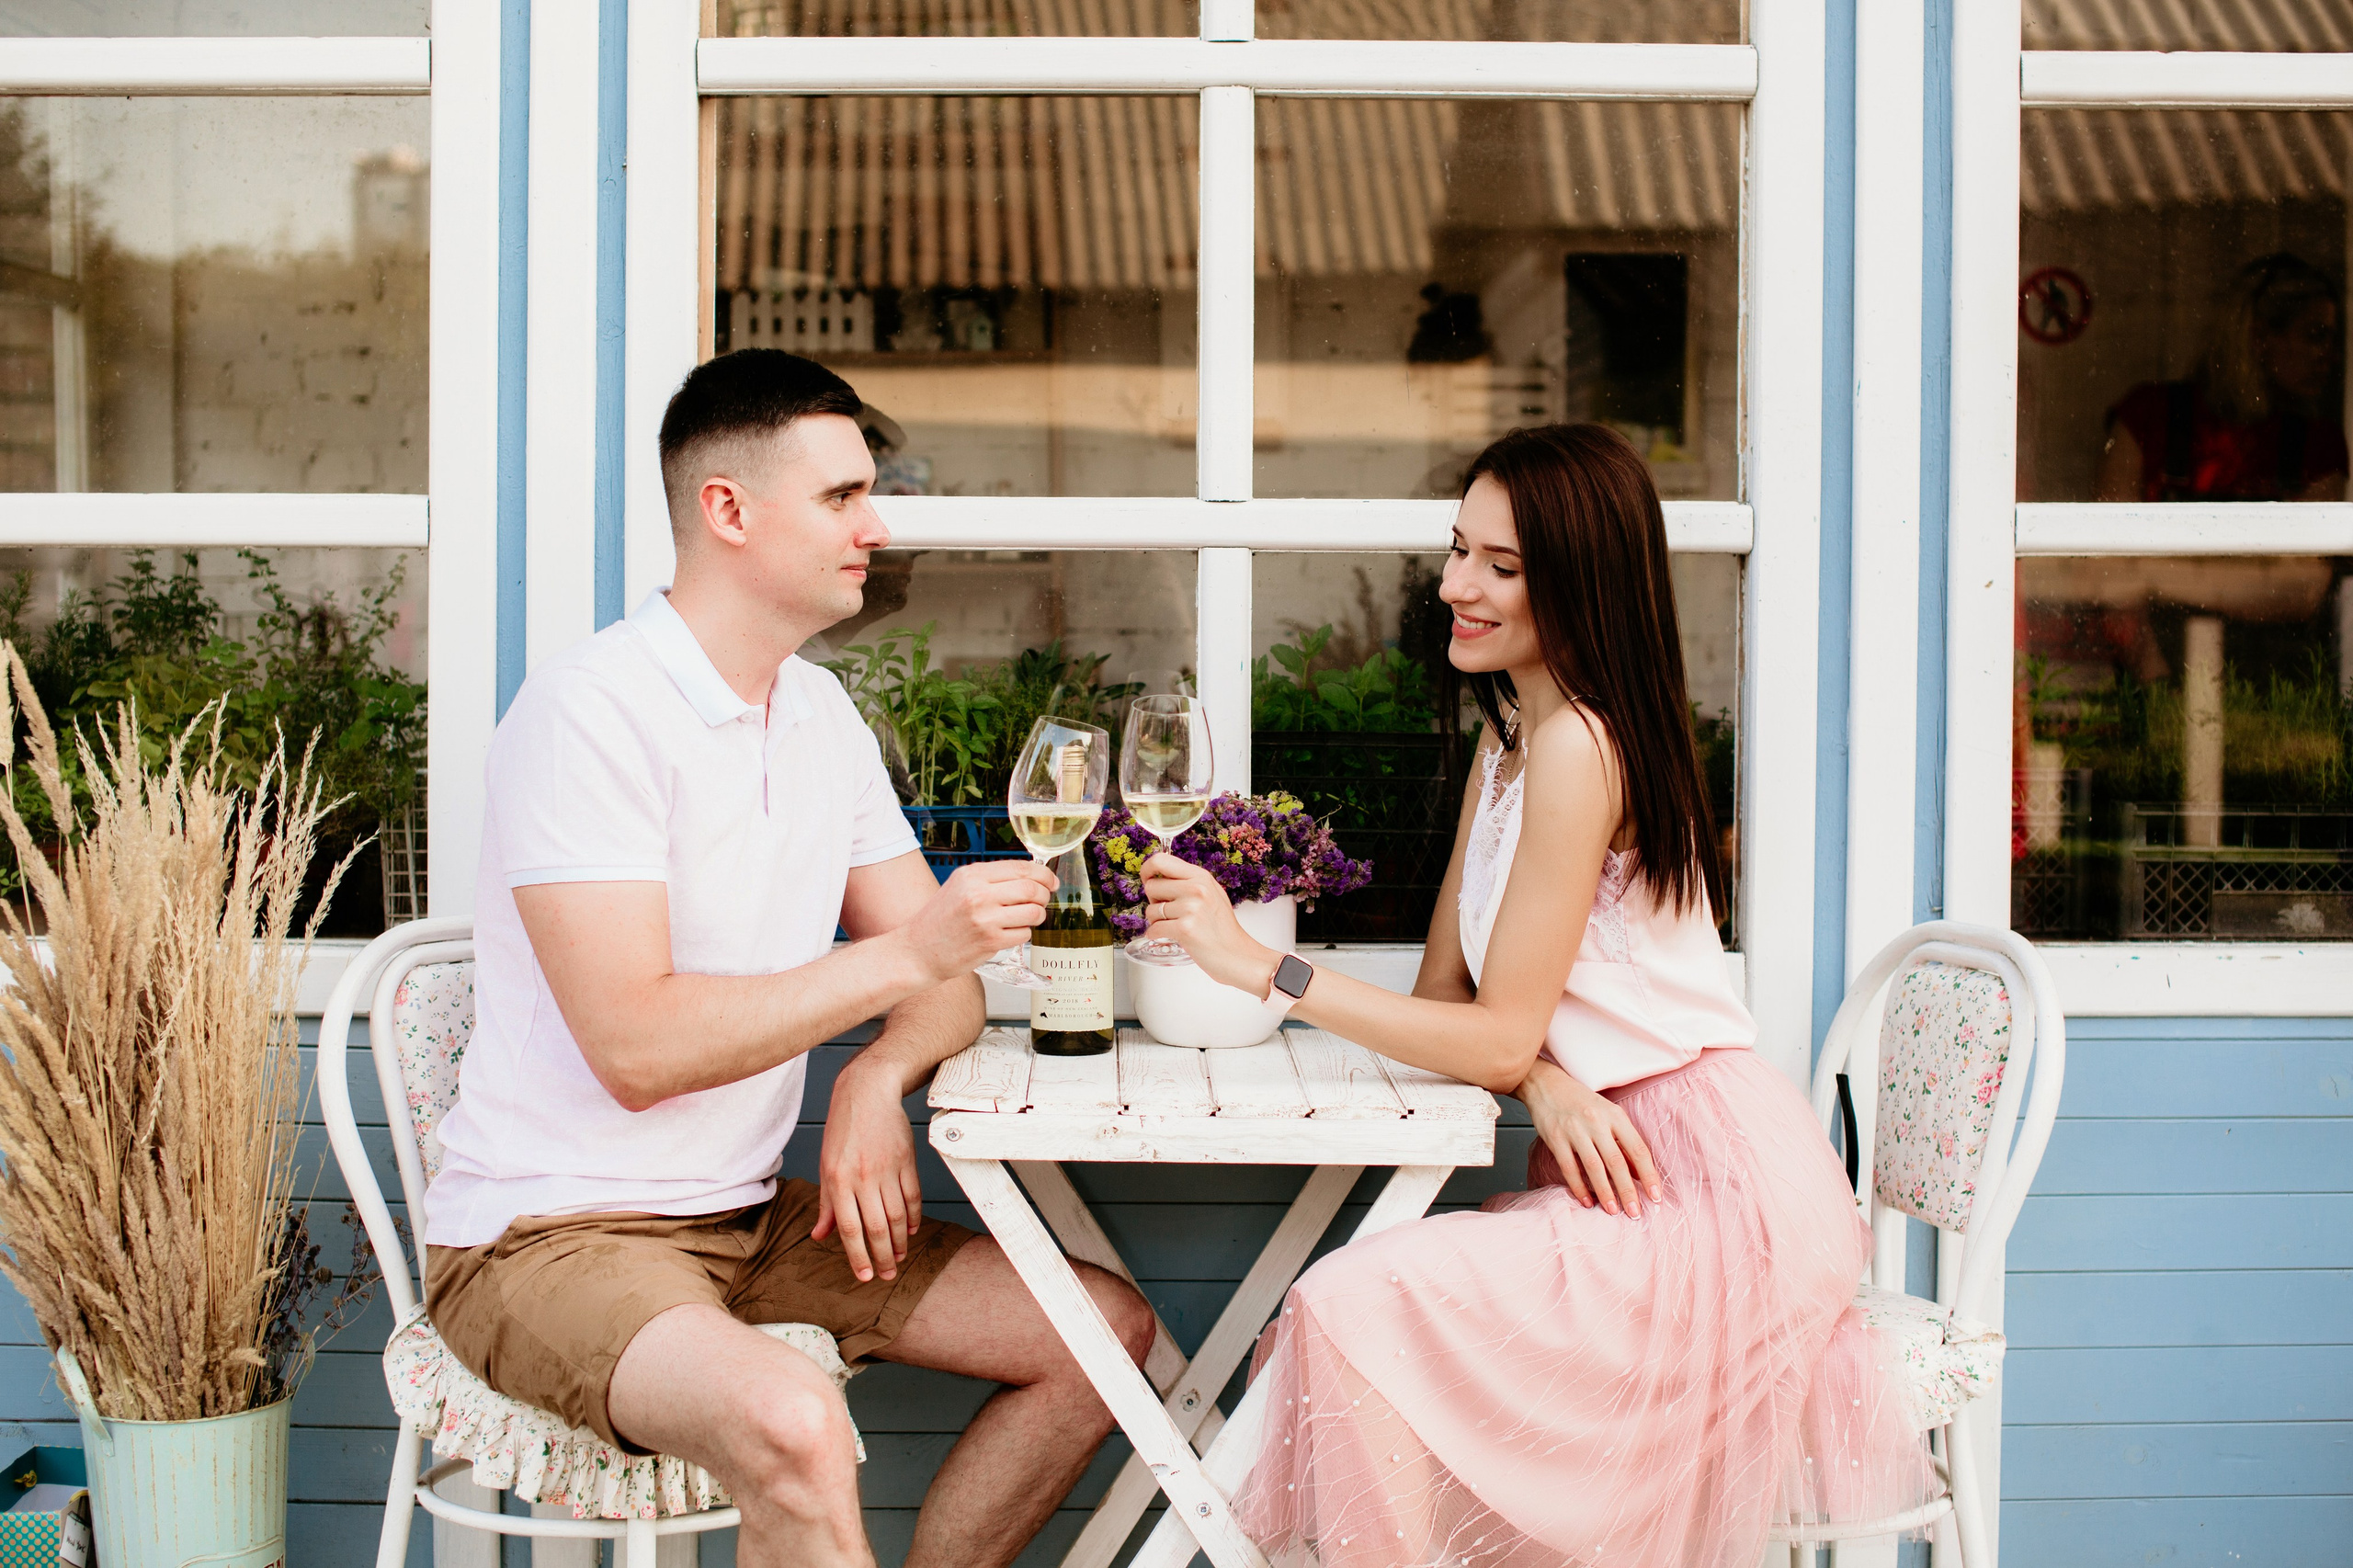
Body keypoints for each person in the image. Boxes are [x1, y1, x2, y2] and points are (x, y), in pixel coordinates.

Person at [1139, 424, 1937, 1567]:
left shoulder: (1581, 748)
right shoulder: (1512, 743)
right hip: (1618, 1162)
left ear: (1584, 579)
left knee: (1355, 1308)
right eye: (1458, 548)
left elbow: (1491, 1028)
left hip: (1710, 1192)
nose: (1457, 585)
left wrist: (1269, 967)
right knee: (1367, 1317)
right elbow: (1447, 994)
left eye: (1501, 566)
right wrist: (1545, 1077)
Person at [423, 348, 1156, 1568]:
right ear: (728, 510)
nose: (875, 524)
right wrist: (909, 961)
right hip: (549, 1237)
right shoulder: (589, 714)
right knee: (794, 1417)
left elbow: (949, 984)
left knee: (1101, 1331)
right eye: (841, 496)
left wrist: (874, 1080)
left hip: (750, 1220)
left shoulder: (816, 713)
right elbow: (639, 1049)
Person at [2096, 251, 2347, 504]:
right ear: (2259, 337)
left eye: (2332, 339)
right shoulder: (2149, 415)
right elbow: (2113, 535)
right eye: (2316, 336)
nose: (2331, 356)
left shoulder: (2318, 446)